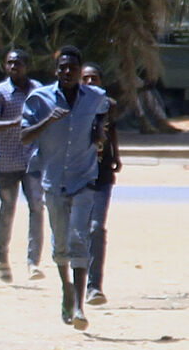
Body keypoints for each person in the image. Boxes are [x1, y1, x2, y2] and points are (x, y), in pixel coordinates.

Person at [21, 45, 108, 331]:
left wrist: (98, 130)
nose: (67, 72)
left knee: (79, 240)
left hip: (84, 180)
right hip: (54, 181)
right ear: (56, 70)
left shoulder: (94, 96)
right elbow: (24, 137)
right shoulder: (39, 98)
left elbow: (107, 109)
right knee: (61, 245)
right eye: (63, 67)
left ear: (80, 71)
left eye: (73, 68)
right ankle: (66, 290)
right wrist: (49, 119)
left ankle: (80, 306)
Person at [0, 49, 45, 283]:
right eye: (9, 63)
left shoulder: (37, 91)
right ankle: (2, 257)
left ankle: (33, 262)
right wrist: (15, 123)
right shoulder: (0, 94)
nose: (13, 67)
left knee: (37, 207)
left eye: (18, 63)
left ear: (27, 66)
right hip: (7, 161)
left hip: (33, 160)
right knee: (8, 209)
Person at [81, 63, 121, 306]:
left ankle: (94, 286)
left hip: (102, 175)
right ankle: (75, 284)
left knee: (96, 228)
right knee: (78, 231)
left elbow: (112, 130)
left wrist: (116, 155)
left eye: (93, 78)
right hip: (77, 176)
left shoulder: (109, 105)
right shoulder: (73, 105)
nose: (89, 82)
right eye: (84, 78)